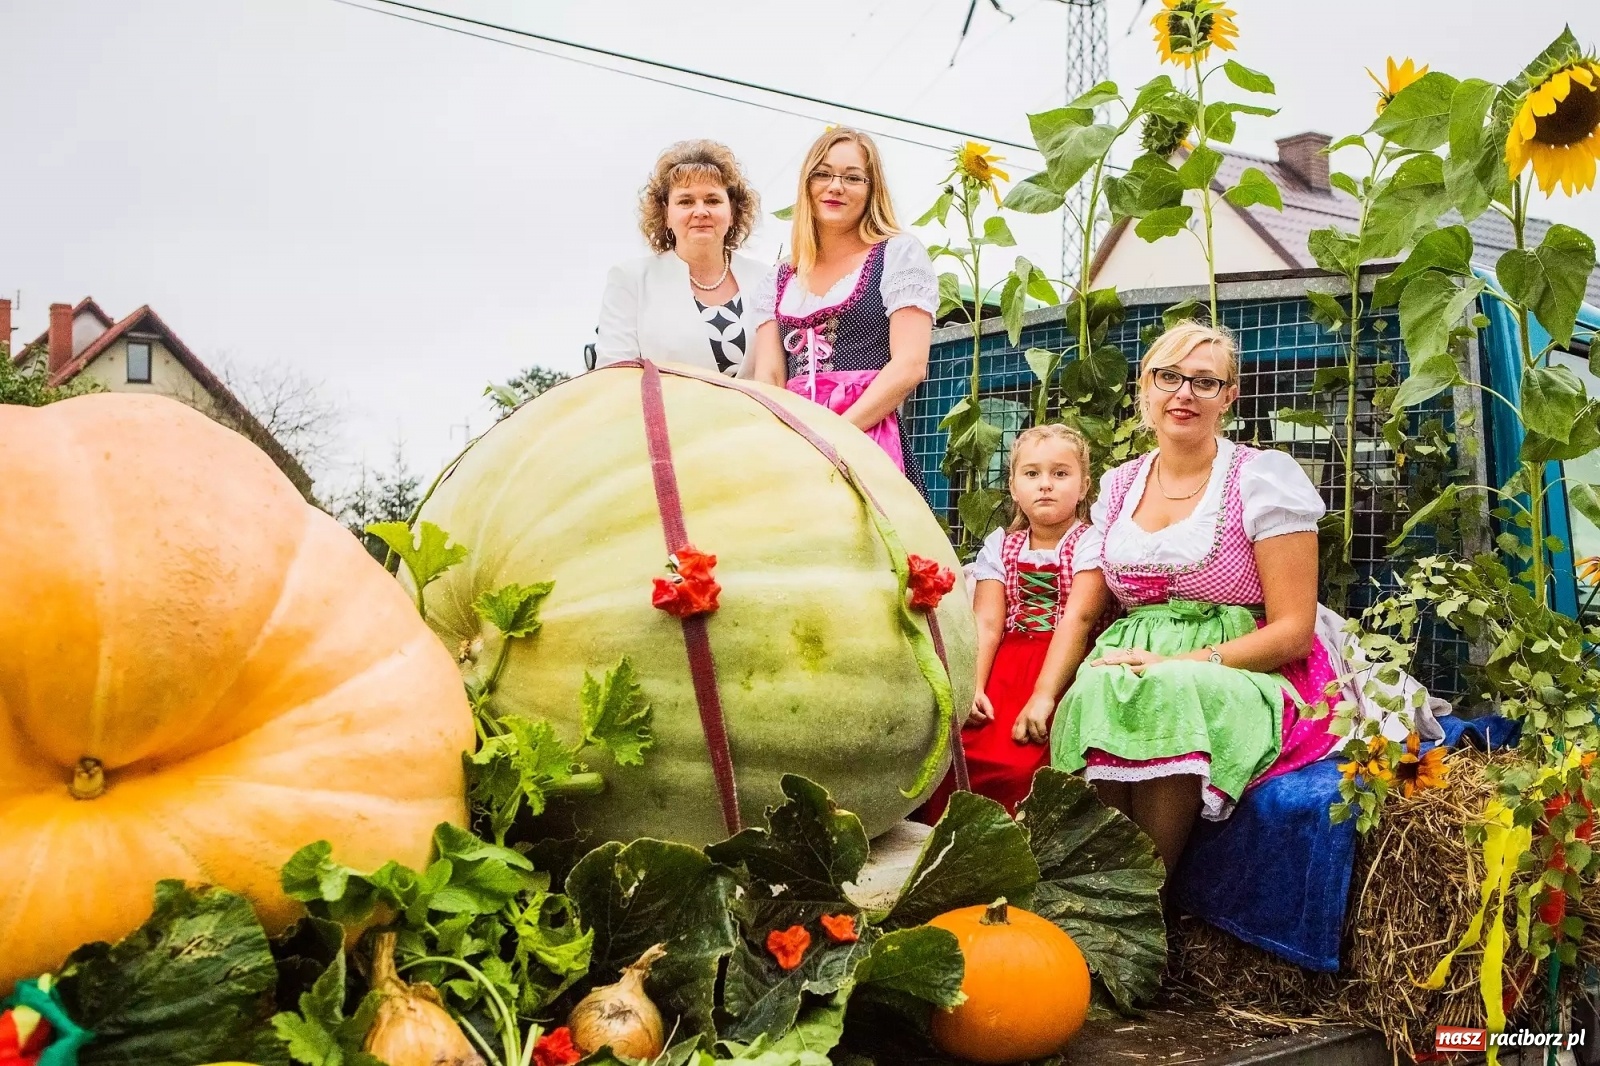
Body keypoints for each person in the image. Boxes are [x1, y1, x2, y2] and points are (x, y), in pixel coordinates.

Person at [1038, 321, 1343, 873]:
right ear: (1145, 386)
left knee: (1170, 688)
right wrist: (1046, 691)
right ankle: (1109, 887)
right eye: (1169, 377)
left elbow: (1294, 632)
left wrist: (1179, 662)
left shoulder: (1261, 478)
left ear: (1229, 396)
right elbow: (1082, 609)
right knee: (1099, 686)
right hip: (1133, 658)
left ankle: (1150, 892)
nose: (1184, 393)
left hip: (1248, 664)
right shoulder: (1119, 486)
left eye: (1205, 382)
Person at [920, 424, 1109, 822]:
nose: (1045, 484)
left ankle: (1024, 847)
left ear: (1084, 485)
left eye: (1061, 473)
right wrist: (972, 686)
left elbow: (1078, 619)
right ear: (1013, 487)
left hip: (1065, 665)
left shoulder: (1092, 543)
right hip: (1006, 663)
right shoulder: (1001, 544)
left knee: (1024, 765)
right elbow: (988, 622)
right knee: (960, 753)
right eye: (1032, 473)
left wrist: (1043, 696)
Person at [747, 128, 937, 497]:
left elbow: (910, 365)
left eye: (852, 177)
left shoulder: (897, 254)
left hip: (867, 435)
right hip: (796, 440)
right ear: (807, 184)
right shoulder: (779, 278)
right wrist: (790, 442)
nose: (836, 186)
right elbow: (770, 376)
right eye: (823, 174)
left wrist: (837, 436)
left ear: (871, 189)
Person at [595, 140, 769, 376]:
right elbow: (614, 374)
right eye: (686, 201)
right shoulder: (630, 280)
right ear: (666, 214)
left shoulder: (766, 279)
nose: (700, 211)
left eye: (712, 200)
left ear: (733, 212)